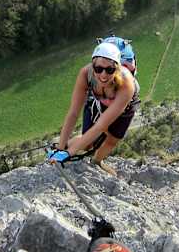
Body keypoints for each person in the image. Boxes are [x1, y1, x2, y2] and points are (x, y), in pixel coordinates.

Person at [48, 42, 140, 173]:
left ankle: (97, 161)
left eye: (109, 70)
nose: (103, 75)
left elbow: (100, 126)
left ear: (117, 69)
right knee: (87, 144)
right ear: (93, 66)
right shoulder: (86, 74)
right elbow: (73, 112)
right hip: (98, 101)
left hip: (124, 105)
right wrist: (61, 149)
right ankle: (61, 146)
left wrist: (68, 153)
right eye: (98, 69)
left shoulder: (126, 84)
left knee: (112, 139)